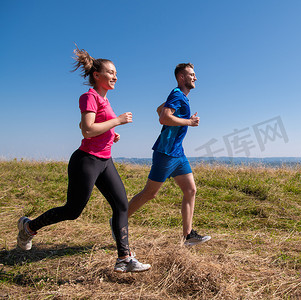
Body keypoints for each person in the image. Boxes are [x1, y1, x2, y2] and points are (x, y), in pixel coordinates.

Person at [16, 47, 150, 273]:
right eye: (110, 72)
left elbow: (87, 126)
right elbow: (87, 130)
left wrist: (110, 133)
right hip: (86, 161)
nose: (115, 76)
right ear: (97, 75)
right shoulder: (89, 96)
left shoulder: (105, 101)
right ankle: (29, 227)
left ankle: (124, 258)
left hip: (105, 161)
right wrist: (116, 122)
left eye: (116, 72)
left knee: (121, 205)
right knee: (72, 211)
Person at [126, 63, 210, 246]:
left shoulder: (180, 97)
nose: (195, 78)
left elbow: (160, 110)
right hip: (166, 153)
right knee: (150, 193)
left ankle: (188, 236)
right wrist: (189, 121)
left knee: (190, 190)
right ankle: (118, 221)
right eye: (192, 74)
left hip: (178, 153)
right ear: (181, 77)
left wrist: (172, 113)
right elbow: (163, 117)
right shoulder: (177, 94)